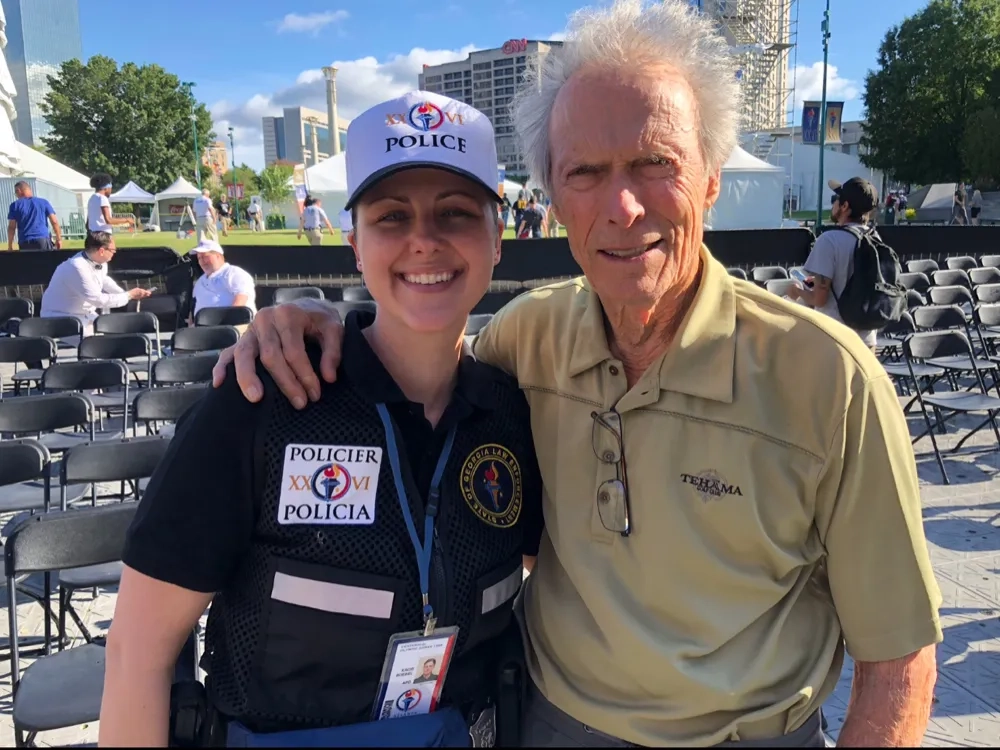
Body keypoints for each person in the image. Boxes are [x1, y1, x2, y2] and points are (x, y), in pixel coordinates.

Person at [213, 2, 942, 747]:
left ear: (712, 179)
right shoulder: (526, 340)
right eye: (585, 173)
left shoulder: (829, 378)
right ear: (554, 200)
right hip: (549, 723)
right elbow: (415, 377)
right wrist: (315, 319)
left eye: (655, 163)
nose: (622, 207)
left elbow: (899, 660)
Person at [100, 90, 543, 748]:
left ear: (496, 239)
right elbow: (137, 653)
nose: (425, 240)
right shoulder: (260, 401)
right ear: (353, 241)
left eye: (455, 213)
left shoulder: (512, 414)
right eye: (392, 217)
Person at [787, 177, 880, 349]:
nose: (833, 204)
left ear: (845, 207)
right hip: (867, 340)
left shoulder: (829, 240)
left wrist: (798, 291)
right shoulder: (875, 238)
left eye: (836, 200)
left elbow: (819, 300)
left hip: (835, 340)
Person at [40, 231, 151, 336]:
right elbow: (98, 300)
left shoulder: (98, 260)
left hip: (84, 314)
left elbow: (104, 280)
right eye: (113, 250)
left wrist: (123, 293)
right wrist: (129, 295)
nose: (114, 253)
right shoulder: (77, 267)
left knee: (111, 332)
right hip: (59, 318)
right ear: (102, 251)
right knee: (97, 343)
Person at [188, 239, 256, 321]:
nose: (202, 261)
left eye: (205, 257)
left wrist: (224, 322)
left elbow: (241, 301)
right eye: (199, 258)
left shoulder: (234, 273)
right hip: (201, 329)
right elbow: (194, 308)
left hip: (236, 326)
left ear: (218, 256)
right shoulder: (199, 282)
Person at [7, 180, 62, 251]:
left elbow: (12, 227)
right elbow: (54, 222)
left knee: (28, 262)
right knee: (46, 261)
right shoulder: (43, 202)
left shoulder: (15, 205)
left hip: (25, 241)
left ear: (19, 191)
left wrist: (10, 245)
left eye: (15, 193)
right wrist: (58, 238)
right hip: (42, 239)